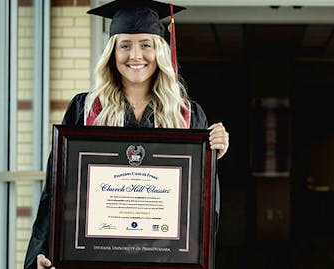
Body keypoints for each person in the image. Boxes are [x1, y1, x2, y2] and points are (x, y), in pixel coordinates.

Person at [24, 1, 229, 268]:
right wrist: (43, 252)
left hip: (162, 258)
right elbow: (56, 190)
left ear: (160, 51)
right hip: (95, 257)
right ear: (112, 52)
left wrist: (212, 151)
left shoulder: (186, 114)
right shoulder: (84, 109)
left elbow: (201, 201)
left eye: (146, 44)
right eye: (125, 46)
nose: (135, 55)